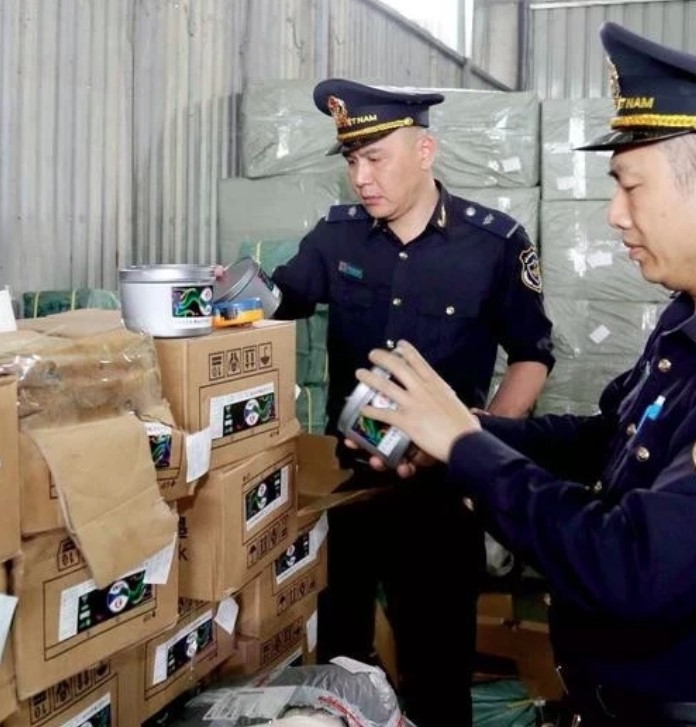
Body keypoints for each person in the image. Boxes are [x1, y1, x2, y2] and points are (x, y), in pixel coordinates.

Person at [348, 22, 696, 727]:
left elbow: (634, 563)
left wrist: (467, 449)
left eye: (630, 186)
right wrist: (471, 430)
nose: (614, 214)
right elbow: (613, 440)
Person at [266, 78, 556, 726]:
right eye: (350, 161)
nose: (361, 178)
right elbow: (274, 308)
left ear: (425, 150)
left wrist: (480, 448)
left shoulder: (494, 243)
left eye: (375, 159)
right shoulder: (337, 237)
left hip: (439, 496)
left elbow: (532, 355)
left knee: (436, 674)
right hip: (346, 492)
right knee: (337, 669)